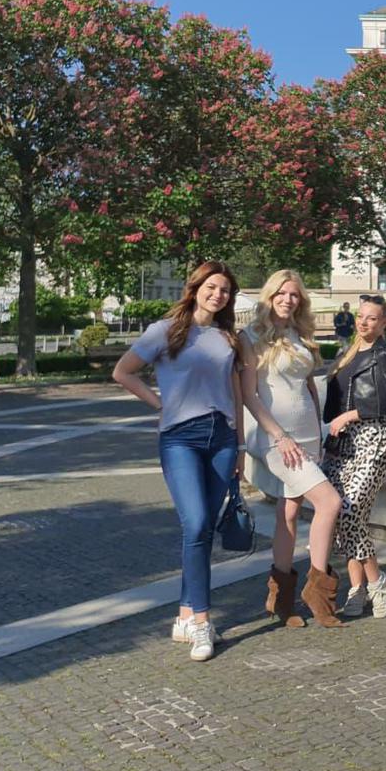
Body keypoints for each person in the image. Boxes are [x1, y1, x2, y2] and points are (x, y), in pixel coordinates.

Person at [112, 261, 244, 663]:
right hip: (180, 438)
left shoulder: (227, 337)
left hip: (221, 437)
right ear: (196, 287)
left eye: (224, 290)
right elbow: (124, 372)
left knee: (200, 531)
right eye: (211, 286)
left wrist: (238, 444)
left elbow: (234, 390)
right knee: (197, 523)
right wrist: (160, 402)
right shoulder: (164, 329)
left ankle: (186, 615)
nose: (217, 294)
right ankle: (202, 621)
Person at [239, 269, 345, 628]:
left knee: (289, 512)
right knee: (329, 502)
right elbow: (249, 395)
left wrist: (319, 431)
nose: (287, 300)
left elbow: (309, 388)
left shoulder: (300, 333)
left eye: (294, 295)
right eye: (281, 294)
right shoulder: (250, 336)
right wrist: (278, 436)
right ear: (269, 297)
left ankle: (280, 599)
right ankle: (318, 591)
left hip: (306, 434)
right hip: (275, 436)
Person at [323, 294, 386, 620]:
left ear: (384, 322)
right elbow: (332, 402)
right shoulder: (347, 356)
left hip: (373, 440)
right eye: (361, 316)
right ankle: (356, 589)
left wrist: (349, 416)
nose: (364, 322)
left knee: (351, 508)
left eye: (372, 318)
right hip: (342, 446)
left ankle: (377, 581)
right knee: (344, 516)